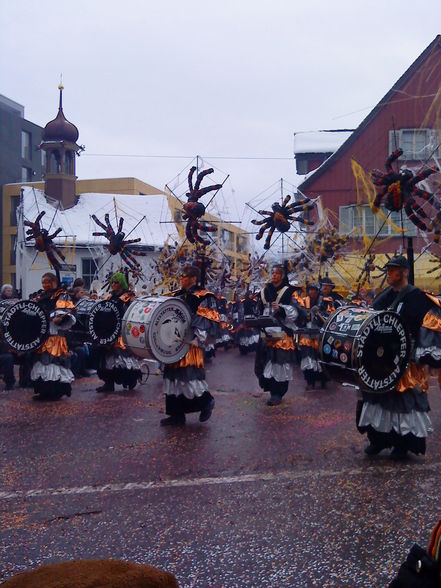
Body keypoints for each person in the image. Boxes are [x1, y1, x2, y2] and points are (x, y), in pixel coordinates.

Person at [357, 255, 435, 460]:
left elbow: (422, 329)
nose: (389, 274)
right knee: (378, 400)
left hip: (405, 360)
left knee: (404, 402)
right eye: (388, 270)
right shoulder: (384, 296)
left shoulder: (417, 297)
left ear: (405, 272)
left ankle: (403, 444)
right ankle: (379, 440)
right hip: (382, 360)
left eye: (393, 270)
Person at [161, 264, 217, 426]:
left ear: (193, 278)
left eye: (184, 276)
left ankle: (207, 402)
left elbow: (205, 320)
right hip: (174, 343)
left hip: (189, 344)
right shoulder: (177, 295)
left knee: (189, 378)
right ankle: (176, 414)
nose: (181, 279)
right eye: (181, 276)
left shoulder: (203, 296)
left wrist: (198, 339)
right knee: (173, 379)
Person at [254, 265, 298, 406]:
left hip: (281, 333)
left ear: (282, 276)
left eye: (277, 273)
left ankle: (277, 393)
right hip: (266, 332)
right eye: (272, 273)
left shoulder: (289, 291)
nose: (274, 275)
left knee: (279, 363)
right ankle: (269, 387)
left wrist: (282, 310)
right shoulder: (264, 291)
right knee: (264, 361)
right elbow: (258, 310)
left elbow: (296, 311)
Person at [30, 272, 76, 401]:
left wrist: (59, 318)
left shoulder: (61, 295)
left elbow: (67, 311)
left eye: (48, 282)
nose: (46, 285)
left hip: (55, 336)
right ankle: (44, 391)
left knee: (52, 362)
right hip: (43, 336)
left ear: (54, 282)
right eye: (44, 282)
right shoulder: (41, 296)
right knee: (42, 361)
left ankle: (54, 391)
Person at [96, 272, 141, 392]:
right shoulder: (109, 296)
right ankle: (108, 383)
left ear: (121, 283)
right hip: (108, 331)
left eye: (116, 282)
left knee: (122, 357)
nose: (114, 284)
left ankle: (130, 380)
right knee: (107, 357)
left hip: (121, 331)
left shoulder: (128, 296)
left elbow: (133, 312)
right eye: (112, 282)